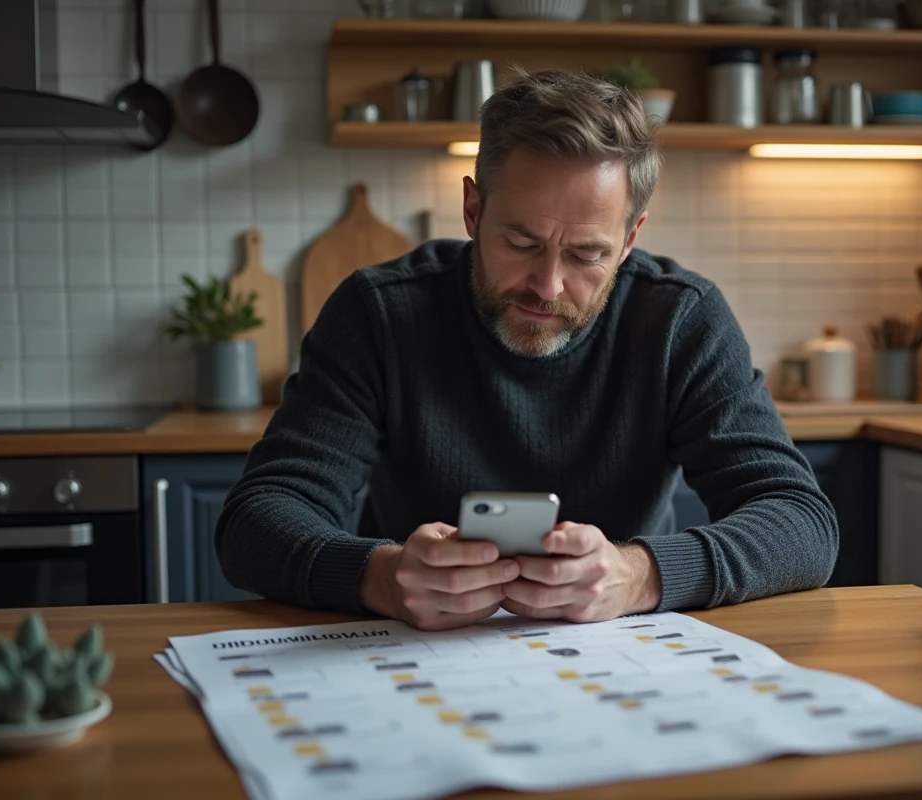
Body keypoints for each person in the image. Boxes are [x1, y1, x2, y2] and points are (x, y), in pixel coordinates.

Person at [215, 69, 838, 631]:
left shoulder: (680, 320)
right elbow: (257, 521)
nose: (548, 286)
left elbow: (802, 522)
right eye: (521, 241)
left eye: (586, 254)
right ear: (472, 208)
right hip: (413, 662)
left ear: (629, 240)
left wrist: (638, 576)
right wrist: (378, 576)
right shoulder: (380, 313)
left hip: (629, 658)